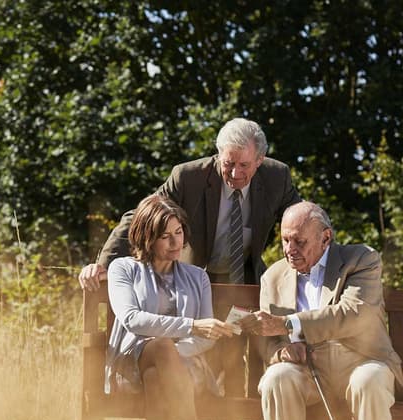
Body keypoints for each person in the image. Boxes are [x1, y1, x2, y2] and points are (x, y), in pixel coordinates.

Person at [79, 117, 300, 291]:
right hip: (191, 277)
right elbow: (141, 217)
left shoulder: (276, 177)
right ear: (218, 154)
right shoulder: (187, 178)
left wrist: (327, 259)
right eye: (228, 163)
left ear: (259, 160)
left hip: (246, 277)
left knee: (245, 341)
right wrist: (105, 264)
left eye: (244, 165)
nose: (235, 173)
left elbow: (303, 220)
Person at [241, 201, 403, 420]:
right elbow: (269, 340)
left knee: (369, 381)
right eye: (285, 240)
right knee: (276, 378)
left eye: (299, 241)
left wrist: (288, 324)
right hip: (306, 370)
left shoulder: (361, 259)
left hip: (361, 361)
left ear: (326, 238)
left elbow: (353, 313)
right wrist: (282, 353)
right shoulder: (273, 276)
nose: (289, 249)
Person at [105, 194, 235, 420]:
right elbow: (132, 319)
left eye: (178, 232)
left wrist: (172, 357)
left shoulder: (198, 277)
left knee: (155, 378)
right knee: (162, 346)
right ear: (147, 238)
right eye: (165, 236)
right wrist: (192, 326)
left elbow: (207, 339)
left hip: (186, 365)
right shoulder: (122, 269)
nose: (176, 242)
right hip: (131, 365)